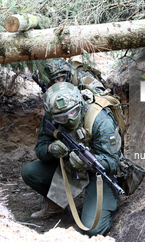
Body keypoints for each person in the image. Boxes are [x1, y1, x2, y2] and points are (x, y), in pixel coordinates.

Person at [21, 82, 121, 236]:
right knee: (29, 172)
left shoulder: (100, 120)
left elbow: (113, 162)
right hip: (69, 165)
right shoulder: (51, 115)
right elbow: (40, 148)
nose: (68, 119)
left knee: (93, 228)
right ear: (52, 114)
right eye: (61, 116)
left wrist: (87, 164)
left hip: (100, 172)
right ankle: (56, 205)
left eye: (73, 113)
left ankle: (104, 202)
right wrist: (51, 149)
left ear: (80, 104)